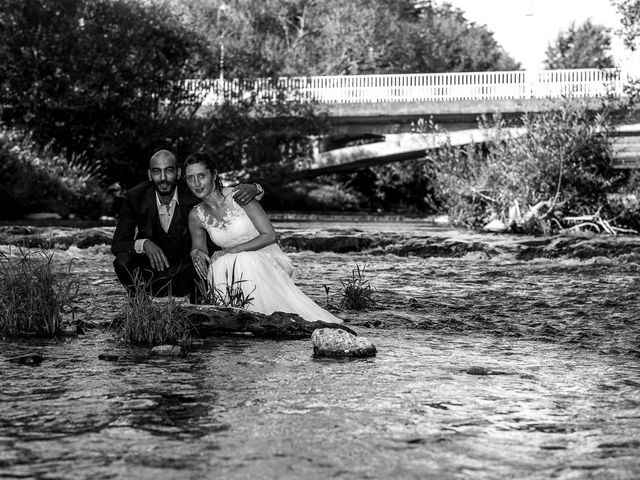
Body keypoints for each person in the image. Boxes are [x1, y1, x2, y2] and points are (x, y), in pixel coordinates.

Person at [185, 151, 342, 324]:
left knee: (237, 259)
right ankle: (236, 318)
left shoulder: (239, 196)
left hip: (267, 257)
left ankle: (258, 319)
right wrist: (196, 253)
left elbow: (270, 236)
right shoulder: (196, 214)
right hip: (233, 265)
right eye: (190, 178)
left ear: (214, 175)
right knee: (219, 264)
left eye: (201, 176)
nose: (196, 183)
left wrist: (229, 251)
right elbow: (199, 249)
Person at [111, 149, 263, 300]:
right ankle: (141, 304)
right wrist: (144, 244)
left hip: (187, 272)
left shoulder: (194, 190)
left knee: (205, 260)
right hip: (152, 274)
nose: (163, 178)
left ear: (178, 173)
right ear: (149, 174)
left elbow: (223, 194)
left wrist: (255, 188)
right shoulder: (135, 197)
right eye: (157, 171)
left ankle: (199, 310)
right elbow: (117, 245)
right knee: (122, 260)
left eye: (169, 171)